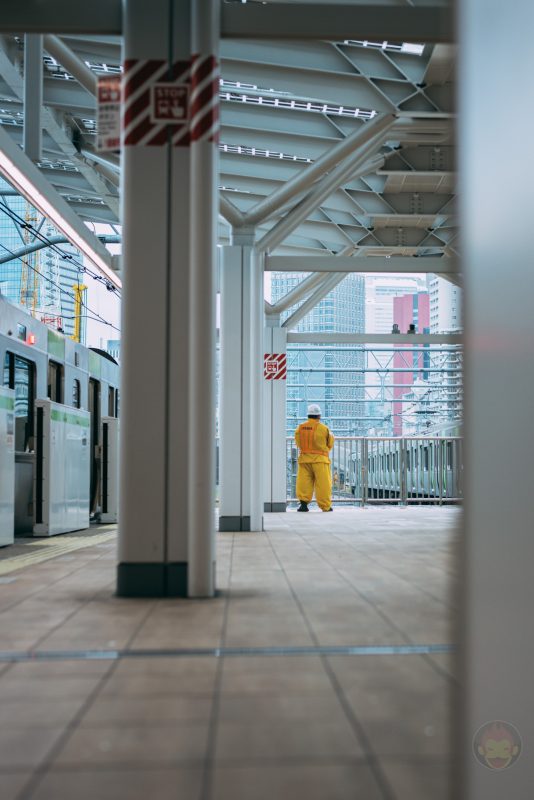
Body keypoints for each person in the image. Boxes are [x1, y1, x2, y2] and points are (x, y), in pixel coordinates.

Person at [294, 404, 334, 512]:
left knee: (304, 482)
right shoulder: (324, 429)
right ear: (319, 416)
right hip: (320, 461)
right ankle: (325, 506)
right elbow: (330, 443)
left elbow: (298, 442)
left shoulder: (300, 428)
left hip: (304, 460)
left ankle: (303, 505)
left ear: (308, 415)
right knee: (323, 484)